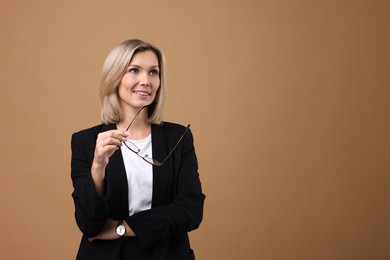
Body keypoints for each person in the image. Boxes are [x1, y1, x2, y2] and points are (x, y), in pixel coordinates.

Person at [70, 39, 205, 260]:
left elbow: (191, 211)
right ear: (114, 77)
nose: (146, 81)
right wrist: (98, 168)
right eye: (134, 70)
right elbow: (89, 224)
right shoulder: (86, 141)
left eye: (153, 72)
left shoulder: (178, 138)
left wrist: (121, 229)